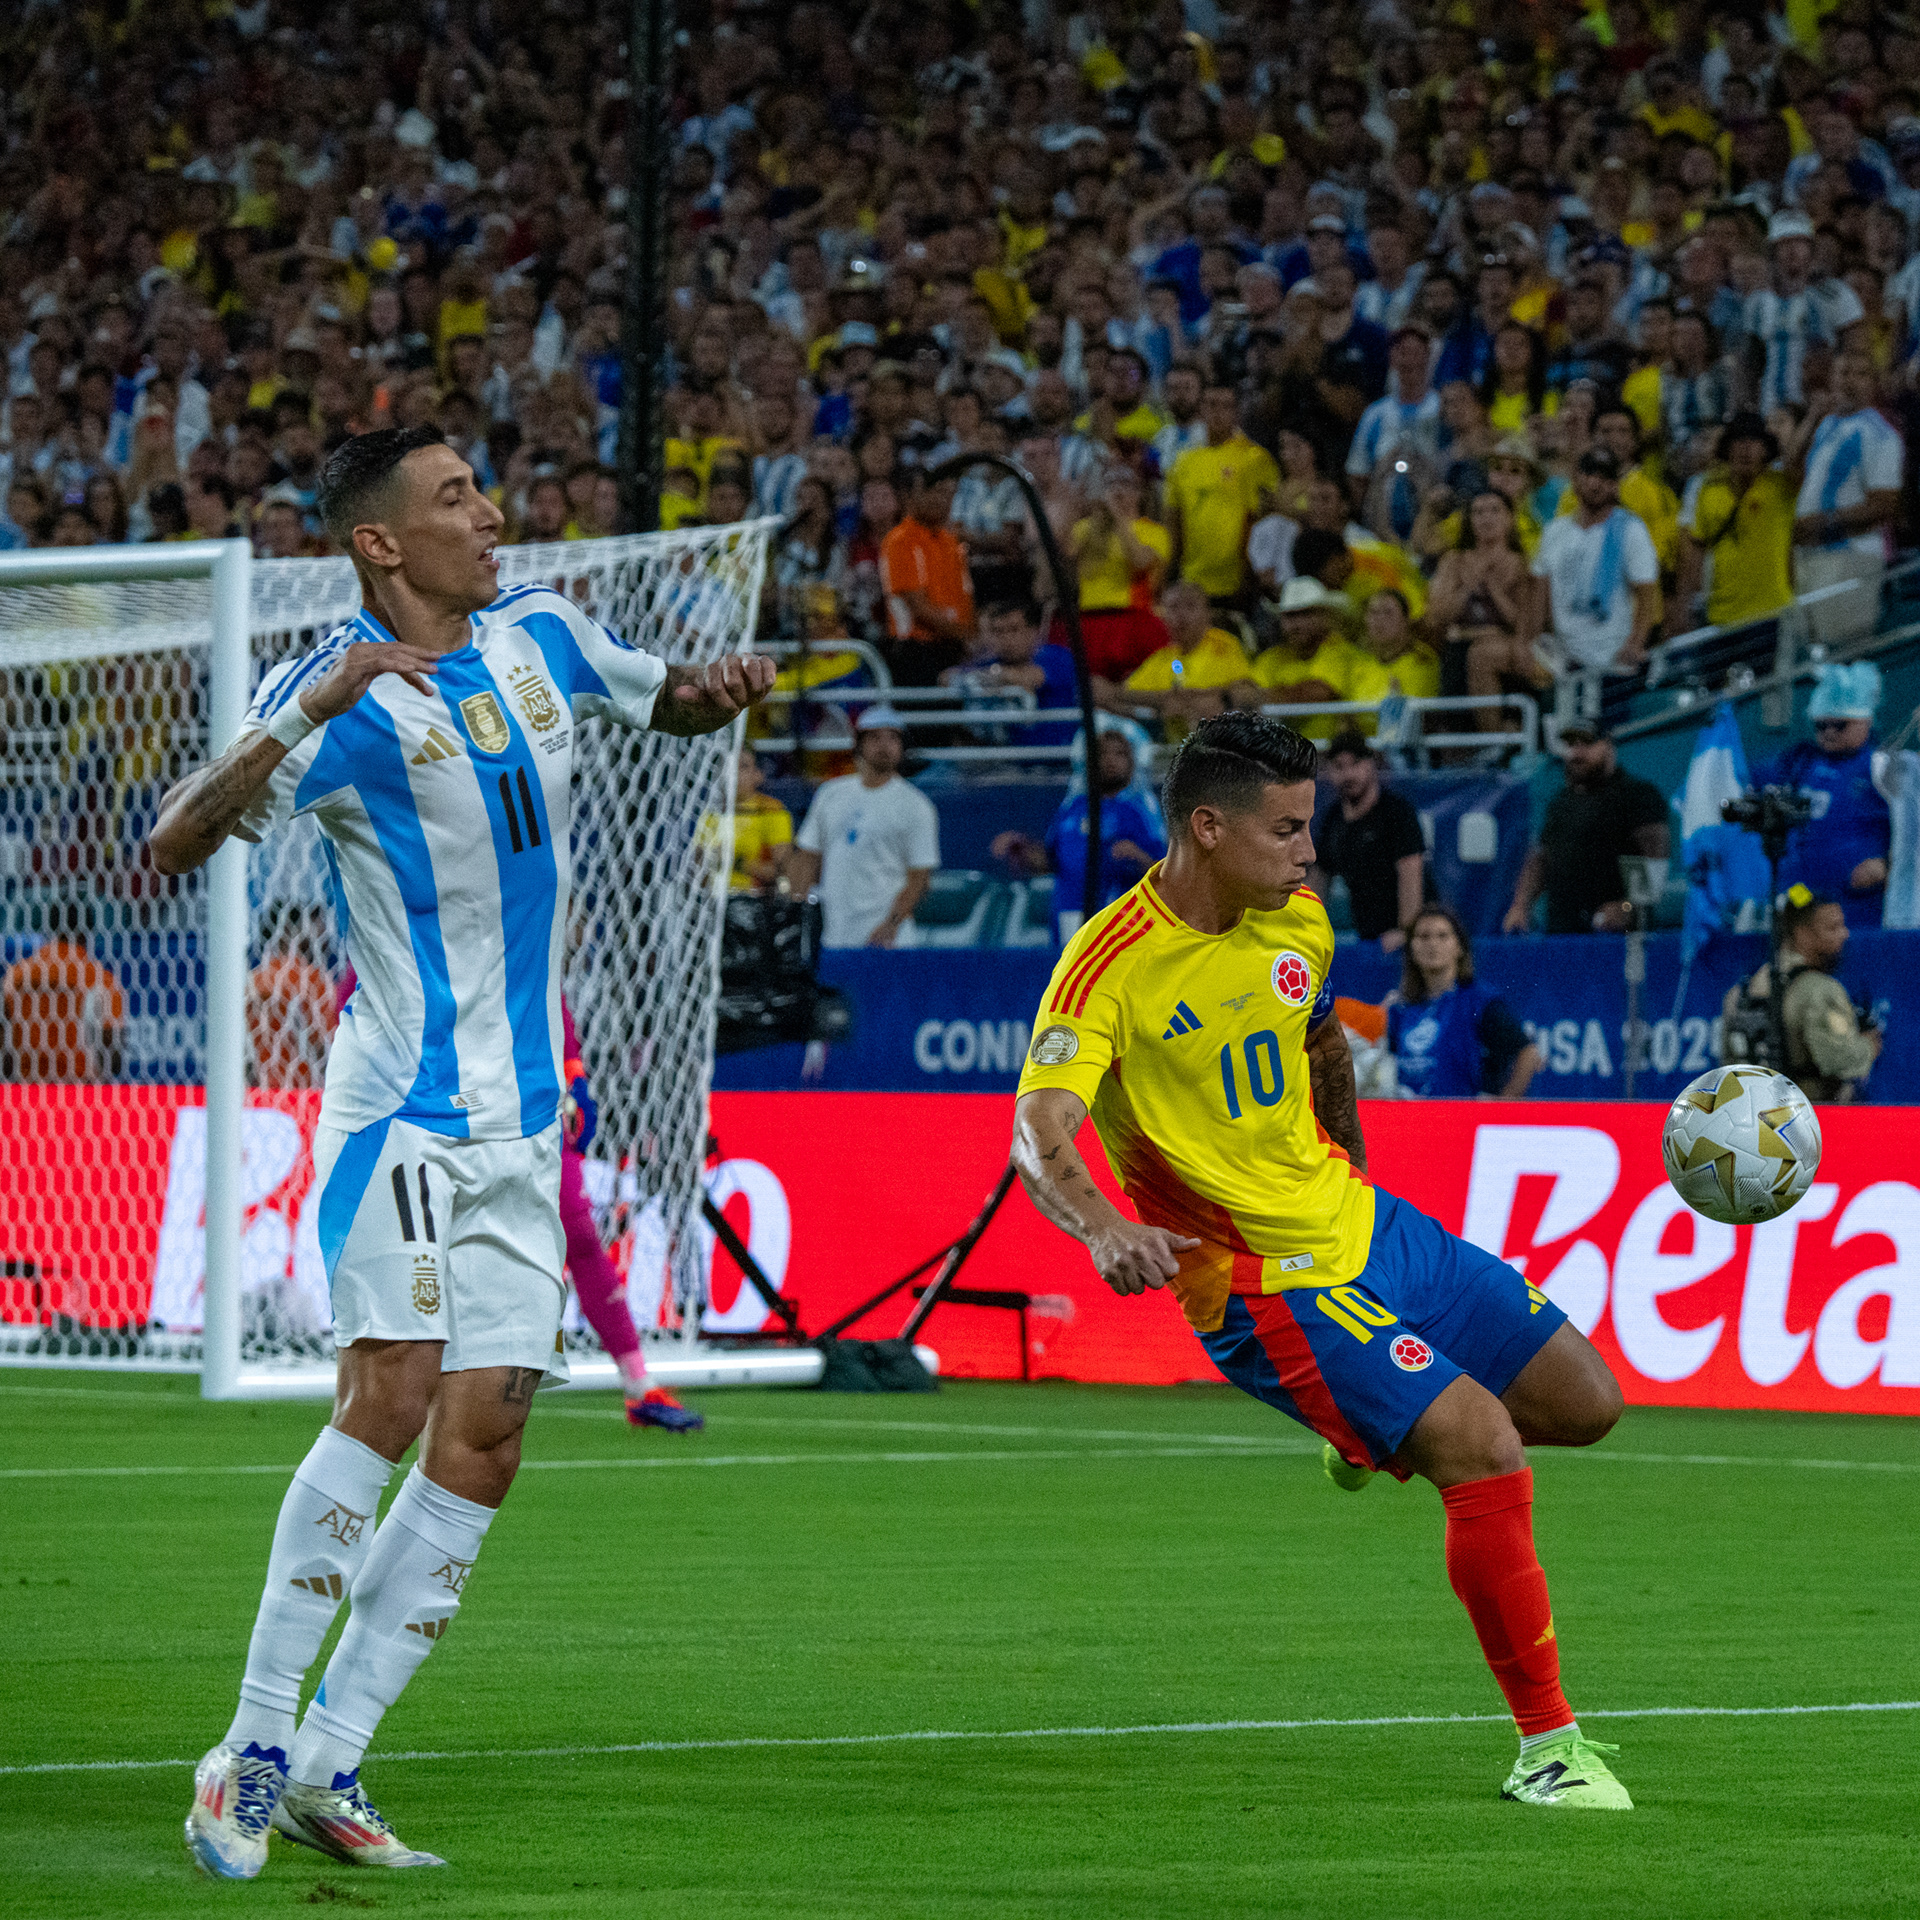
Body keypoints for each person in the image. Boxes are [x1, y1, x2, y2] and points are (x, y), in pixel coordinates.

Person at [151, 426, 773, 1879]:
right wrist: (306, 708)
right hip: (401, 1110)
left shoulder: (542, 632)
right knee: (391, 1393)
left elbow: (665, 703)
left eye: (482, 490)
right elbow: (177, 838)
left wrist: (716, 689)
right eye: (455, 499)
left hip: (525, 1121)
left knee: (487, 1432)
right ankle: (248, 1747)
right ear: (380, 543)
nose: (492, 515)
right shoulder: (334, 691)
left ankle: (332, 1759)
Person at [1010, 710, 1632, 1812]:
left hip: (1361, 1225)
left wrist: (1352, 1169)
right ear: (1209, 828)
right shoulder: (1109, 963)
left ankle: (1363, 1429)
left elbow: (1320, 1040)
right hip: (1256, 1282)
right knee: (1481, 1446)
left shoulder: (1296, 918)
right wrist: (1104, 1228)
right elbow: (1039, 1125)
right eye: (1289, 829)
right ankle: (1548, 1748)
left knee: (1587, 1404)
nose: (1312, 851)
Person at [557, 998, 705, 1430]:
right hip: (454, 1105)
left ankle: (639, 1384)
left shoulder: (531, 957)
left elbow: (550, 1002)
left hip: (534, 1109)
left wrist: (575, 1074)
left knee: (581, 1240)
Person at [992, 726, 1167, 944]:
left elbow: (1165, 873)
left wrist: (1137, 856)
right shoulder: (1073, 809)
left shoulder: (1138, 813)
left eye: (1119, 754)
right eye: (1102, 753)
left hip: (1116, 918)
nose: (1110, 760)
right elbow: (1050, 862)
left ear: (1131, 764)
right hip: (1069, 913)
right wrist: (1022, 848)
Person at [788, 705, 940, 948]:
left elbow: (919, 878)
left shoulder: (916, 805)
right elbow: (807, 858)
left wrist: (891, 925)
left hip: (889, 940)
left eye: (893, 738)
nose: (884, 746)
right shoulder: (831, 794)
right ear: (859, 744)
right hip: (833, 935)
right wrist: (796, 917)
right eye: (875, 738)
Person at [1755, 663, 1892, 930]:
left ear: (1866, 720)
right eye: (1821, 725)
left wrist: (1888, 865)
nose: (1829, 732)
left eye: (1840, 725)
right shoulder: (1799, 762)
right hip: (1801, 898)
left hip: (1859, 906)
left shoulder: (1884, 768)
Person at [1502, 720, 1671, 934]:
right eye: (1571, 744)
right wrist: (1520, 905)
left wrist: (1628, 908)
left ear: (1608, 745)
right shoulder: (1560, 803)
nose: (1577, 753)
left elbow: (1654, 858)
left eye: (1587, 744)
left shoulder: (1636, 795)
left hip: (1616, 936)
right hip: (1563, 933)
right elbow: (1541, 859)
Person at [1722, 887, 1881, 1103]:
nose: (1845, 934)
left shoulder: (1738, 994)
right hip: (1805, 1116)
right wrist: (1869, 1045)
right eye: (1833, 928)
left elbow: (1727, 1067)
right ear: (1802, 933)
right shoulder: (1819, 990)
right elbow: (1842, 1063)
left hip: (1749, 1114)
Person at [1788, 349, 1903, 648]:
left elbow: (1884, 504)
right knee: (1809, 653)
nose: (1849, 381)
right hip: (1810, 555)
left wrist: (1823, 522)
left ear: (1874, 383)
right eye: (1842, 373)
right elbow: (1791, 465)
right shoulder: (1827, 425)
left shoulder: (1881, 434)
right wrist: (1813, 415)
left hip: (1849, 555)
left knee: (1842, 653)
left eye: (1860, 374)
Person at [1389, 906, 1542, 1098]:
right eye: (1423, 936)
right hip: (1409, 1114)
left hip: (1461, 1113)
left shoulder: (1480, 1001)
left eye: (1443, 936)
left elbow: (1528, 1052)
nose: (1433, 944)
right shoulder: (1401, 1007)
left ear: (1459, 947)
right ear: (1411, 948)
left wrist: (1504, 1106)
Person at [1530, 449, 1660, 675]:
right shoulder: (1554, 532)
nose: (1594, 483)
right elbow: (1539, 594)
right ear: (1575, 479)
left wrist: (1635, 644)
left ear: (1615, 485)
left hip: (1615, 660)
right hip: (1564, 661)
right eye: (1588, 474)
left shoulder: (1630, 529)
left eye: (1604, 477)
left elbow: (1647, 593)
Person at [1427, 490, 1544, 729]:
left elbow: (1522, 622)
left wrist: (1494, 589)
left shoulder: (1520, 564)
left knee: (1482, 657)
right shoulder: (1453, 561)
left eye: (1494, 510)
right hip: (1457, 647)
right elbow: (1437, 614)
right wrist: (1468, 587)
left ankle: (1496, 737)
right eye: (1478, 512)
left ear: (1509, 518)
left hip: (1499, 650)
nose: (1486, 518)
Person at [1309, 731, 1429, 951]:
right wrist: (1305, 929)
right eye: (1339, 766)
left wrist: (1406, 931)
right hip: (1366, 935)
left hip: (1406, 937)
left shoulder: (1397, 813)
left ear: (1371, 764)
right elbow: (1317, 879)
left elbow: (1411, 872)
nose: (1348, 774)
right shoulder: (1333, 820)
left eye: (1355, 764)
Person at [1163, 383, 1279, 609]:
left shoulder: (1255, 459)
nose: (1217, 413)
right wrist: (1170, 572)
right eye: (1211, 405)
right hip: (1192, 580)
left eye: (1226, 406)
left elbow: (1260, 519)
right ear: (1201, 410)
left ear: (1236, 412)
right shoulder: (1183, 461)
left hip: (1238, 582)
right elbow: (1174, 520)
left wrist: (1249, 574)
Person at [1676, 415, 1795, 631]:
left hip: (1773, 612)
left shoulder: (1782, 486)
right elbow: (1695, 554)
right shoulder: (1709, 491)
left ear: (1766, 450)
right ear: (1727, 449)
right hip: (1721, 617)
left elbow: (1798, 459)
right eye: (1738, 441)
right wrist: (1684, 608)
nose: (1746, 448)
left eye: (1754, 441)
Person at [1109, 579, 1252, 739]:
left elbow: (1246, 690)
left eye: (1190, 606)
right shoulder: (1163, 657)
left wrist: (1209, 698)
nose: (1181, 616)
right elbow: (1128, 692)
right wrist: (1164, 700)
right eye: (1173, 607)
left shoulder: (1223, 644)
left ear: (1207, 613)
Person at [1068, 464, 1172, 681]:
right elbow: (1062, 562)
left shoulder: (1154, 532)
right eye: (1110, 483)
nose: (1117, 489)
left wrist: (1118, 516)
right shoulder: (1085, 529)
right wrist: (1073, 509)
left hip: (1132, 618)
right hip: (1089, 619)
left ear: (1139, 492)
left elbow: (1140, 562)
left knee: (1134, 682)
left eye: (1125, 483)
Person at [0, 914, 125, 1083]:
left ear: (49, 928)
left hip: (28, 1085)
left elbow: (3, 1041)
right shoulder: (101, 979)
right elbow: (113, 1059)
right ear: (87, 932)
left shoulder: (16, 975)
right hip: (78, 1086)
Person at [878, 470, 975, 685]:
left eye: (944, 493)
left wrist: (969, 636)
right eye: (931, 491)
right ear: (909, 497)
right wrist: (965, 636)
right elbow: (918, 606)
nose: (939, 499)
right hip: (915, 650)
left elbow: (966, 597)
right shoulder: (900, 540)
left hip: (953, 648)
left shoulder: (951, 542)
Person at [728, 746, 793, 892]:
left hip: (752, 897)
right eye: (729, 765)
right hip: (711, 897)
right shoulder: (712, 812)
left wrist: (734, 861)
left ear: (758, 775)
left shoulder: (772, 812)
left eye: (743, 766)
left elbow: (781, 872)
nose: (734, 773)